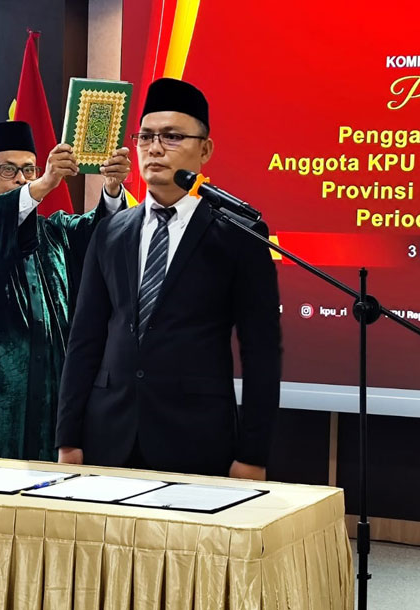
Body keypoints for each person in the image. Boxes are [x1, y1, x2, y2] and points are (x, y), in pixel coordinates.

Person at [55, 78, 281, 479]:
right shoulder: (110, 232)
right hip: (108, 435)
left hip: (195, 438)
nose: (155, 148)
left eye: (172, 137)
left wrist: (253, 454)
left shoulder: (237, 234)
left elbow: (261, 351)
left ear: (205, 149)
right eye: (146, 136)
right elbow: (85, 338)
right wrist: (68, 438)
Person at [0, 120, 130, 461]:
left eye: (29, 169)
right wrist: (42, 184)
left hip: (53, 390)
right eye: (8, 169)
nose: (21, 178)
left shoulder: (57, 232)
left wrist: (113, 191)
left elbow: (102, 239)